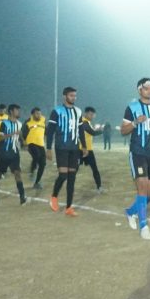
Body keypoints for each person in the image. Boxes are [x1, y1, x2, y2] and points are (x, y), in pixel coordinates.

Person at [122, 78, 150, 240]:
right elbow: (123, 131)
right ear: (140, 90)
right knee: (142, 186)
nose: (149, 91)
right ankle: (144, 226)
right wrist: (135, 122)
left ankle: (131, 211)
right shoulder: (132, 107)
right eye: (146, 88)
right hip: (138, 152)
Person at [46, 87, 86, 216]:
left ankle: (69, 207)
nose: (73, 98)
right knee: (63, 175)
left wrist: (84, 146)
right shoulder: (57, 111)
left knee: (72, 178)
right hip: (61, 147)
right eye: (71, 95)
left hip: (74, 148)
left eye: (75, 95)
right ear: (65, 96)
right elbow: (50, 131)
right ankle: (54, 196)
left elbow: (81, 130)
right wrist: (48, 148)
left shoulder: (78, 111)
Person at [0, 104, 27, 205]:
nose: (18, 112)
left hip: (14, 153)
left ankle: (22, 197)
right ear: (11, 111)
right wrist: (12, 134)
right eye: (17, 110)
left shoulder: (19, 124)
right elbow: (0, 138)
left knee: (18, 174)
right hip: (4, 154)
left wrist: (23, 141)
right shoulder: (4, 124)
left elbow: (19, 134)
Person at [79, 106, 105, 193]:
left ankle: (99, 187)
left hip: (88, 149)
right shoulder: (83, 122)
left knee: (94, 169)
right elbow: (92, 132)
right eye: (90, 114)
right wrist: (101, 131)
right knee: (73, 169)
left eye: (93, 115)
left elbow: (90, 132)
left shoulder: (88, 122)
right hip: (80, 150)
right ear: (85, 113)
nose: (91, 116)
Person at [22, 107, 47, 190]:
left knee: (43, 164)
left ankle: (37, 182)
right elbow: (23, 132)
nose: (39, 115)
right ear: (32, 114)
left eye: (40, 113)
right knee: (37, 155)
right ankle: (32, 171)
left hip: (41, 144)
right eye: (37, 113)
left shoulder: (43, 120)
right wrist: (23, 143)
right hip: (31, 143)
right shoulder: (28, 121)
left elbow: (45, 130)